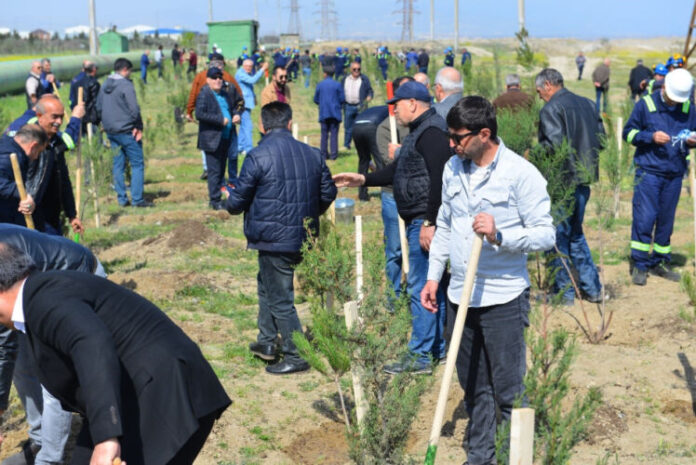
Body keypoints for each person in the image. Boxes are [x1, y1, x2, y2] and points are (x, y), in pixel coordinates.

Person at [0, 245, 231, 465]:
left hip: (165, 393)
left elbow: (92, 343)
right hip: (130, 395)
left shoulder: (44, 300)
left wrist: (106, 438)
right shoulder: (40, 298)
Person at [421, 96, 555, 465]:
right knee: (473, 385)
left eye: (458, 137)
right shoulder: (453, 168)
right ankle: (480, 457)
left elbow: (546, 235)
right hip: (458, 295)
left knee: (509, 390)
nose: (451, 144)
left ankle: (516, 457)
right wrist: (434, 277)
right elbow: (445, 224)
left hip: (503, 299)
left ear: (485, 133)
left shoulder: (520, 174)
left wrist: (501, 235)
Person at [333, 81, 451, 374]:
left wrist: (430, 221)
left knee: (422, 285)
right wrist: (363, 180)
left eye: (397, 104)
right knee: (429, 283)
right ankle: (435, 348)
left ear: (413, 103)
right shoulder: (420, 132)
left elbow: (439, 178)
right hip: (419, 218)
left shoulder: (432, 133)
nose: (394, 109)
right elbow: (398, 170)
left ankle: (421, 356)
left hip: (423, 220)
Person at [225, 102, 337, 375]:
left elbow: (237, 203)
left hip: (274, 239)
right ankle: (266, 342)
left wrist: (230, 199)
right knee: (267, 284)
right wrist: (309, 214)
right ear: (289, 123)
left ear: (262, 127)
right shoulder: (313, 154)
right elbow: (328, 193)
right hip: (302, 236)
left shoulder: (257, 156)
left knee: (281, 299)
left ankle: (296, 355)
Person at [0, 224, 106, 465]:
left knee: (54, 375)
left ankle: (49, 459)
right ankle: (40, 441)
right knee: (22, 365)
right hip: (30, 297)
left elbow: (3, 344)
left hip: (78, 275)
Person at [535, 68, 605, 305]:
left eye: (539, 92)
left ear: (547, 85)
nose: (539, 97)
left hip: (562, 183)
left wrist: (533, 154)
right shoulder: (588, 104)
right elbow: (602, 141)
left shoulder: (551, 109)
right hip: (584, 181)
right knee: (576, 234)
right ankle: (593, 289)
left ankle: (563, 293)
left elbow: (553, 148)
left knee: (556, 238)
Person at [623, 68, 696, 285]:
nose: (674, 103)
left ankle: (660, 262)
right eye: (672, 98)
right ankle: (640, 264)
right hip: (649, 173)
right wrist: (650, 136)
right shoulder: (646, 105)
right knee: (644, 219)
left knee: (666, 221)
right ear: (663, 87)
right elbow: (628, 133)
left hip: (674, 174)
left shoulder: (688, 108)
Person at [5, 95, 86, 236]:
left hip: (51, 214)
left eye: (61, 117)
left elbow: (63, 179)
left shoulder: (55, 142)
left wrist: (72, 214)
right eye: (54, 117)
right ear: (39, 116)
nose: (59, 122)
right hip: (28, 213)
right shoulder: (26, 143)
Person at [97, 58, 152, 208]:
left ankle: (122, 199)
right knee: (137, 164)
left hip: (111, 131)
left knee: (118, 165)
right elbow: (134, 109)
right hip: (127, 130)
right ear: (125, 69)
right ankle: (137, 199)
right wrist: (138, 126)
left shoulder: (105, 85)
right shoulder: (126, 85)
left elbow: (99, 107)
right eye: (130, 71)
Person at [185, 54, 244, 180]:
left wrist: (189, 111)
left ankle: (211, 170)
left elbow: (239, 99)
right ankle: (223, 178)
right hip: (213, 121)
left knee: (212, 147)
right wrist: (190, 111)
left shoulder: (225, 80)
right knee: (223, 152)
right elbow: (195, 96)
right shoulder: (220, 77)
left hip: (221, 123)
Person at [195, 67, 244, 209]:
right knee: (214, 171)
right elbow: (199, 114)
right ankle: (215, 201)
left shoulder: (225, 93)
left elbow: (234, 107)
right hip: (211, 139)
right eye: (214, 78)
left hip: (226, 137)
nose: (218, 80)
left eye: (220, 78)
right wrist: (220, 120)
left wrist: (236, 115)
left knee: (222, 170)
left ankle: (218, 198)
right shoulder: (205, 93)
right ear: (208, 80)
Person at [0, 125, 47, 226]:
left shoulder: (6, 144)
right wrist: (22, 194)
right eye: (38, 152)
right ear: (33, 146)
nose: (36, 157)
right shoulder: (8, 156)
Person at [235, 59, 268, 155]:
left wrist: (254, 97)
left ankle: (240, 147)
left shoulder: (245, 73)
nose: (249, 68)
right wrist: (262, 69)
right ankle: (249, 149)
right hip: (242, 104)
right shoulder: (240, 74)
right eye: (247, 66)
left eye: (251, 66)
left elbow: (249, 86)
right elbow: (252, 80)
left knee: (243, 126)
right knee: (248, 126)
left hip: (247, 103)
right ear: (243, 65)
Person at [314, 65, 345, 160]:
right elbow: (342, 99)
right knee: (334, 134)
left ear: (325, 74)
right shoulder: (337, 85)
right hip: (335, 113)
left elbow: (315, 99)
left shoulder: (320, 85)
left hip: (324, 112)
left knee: (324, 135)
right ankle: (333, 155)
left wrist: (322, 103)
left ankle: (323, 154)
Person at [341, 61, 374, 150]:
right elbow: (340, 91)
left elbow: (370, 91)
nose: (356, 71)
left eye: (358, 69)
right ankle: (346, 145)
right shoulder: (345, 79)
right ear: (350, 69)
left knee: (360, 127)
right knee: (348, 127)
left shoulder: (364, 79)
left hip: (360, 106)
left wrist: (369, 96)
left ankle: (361, 146)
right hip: (348, 106)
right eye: (354, 69)